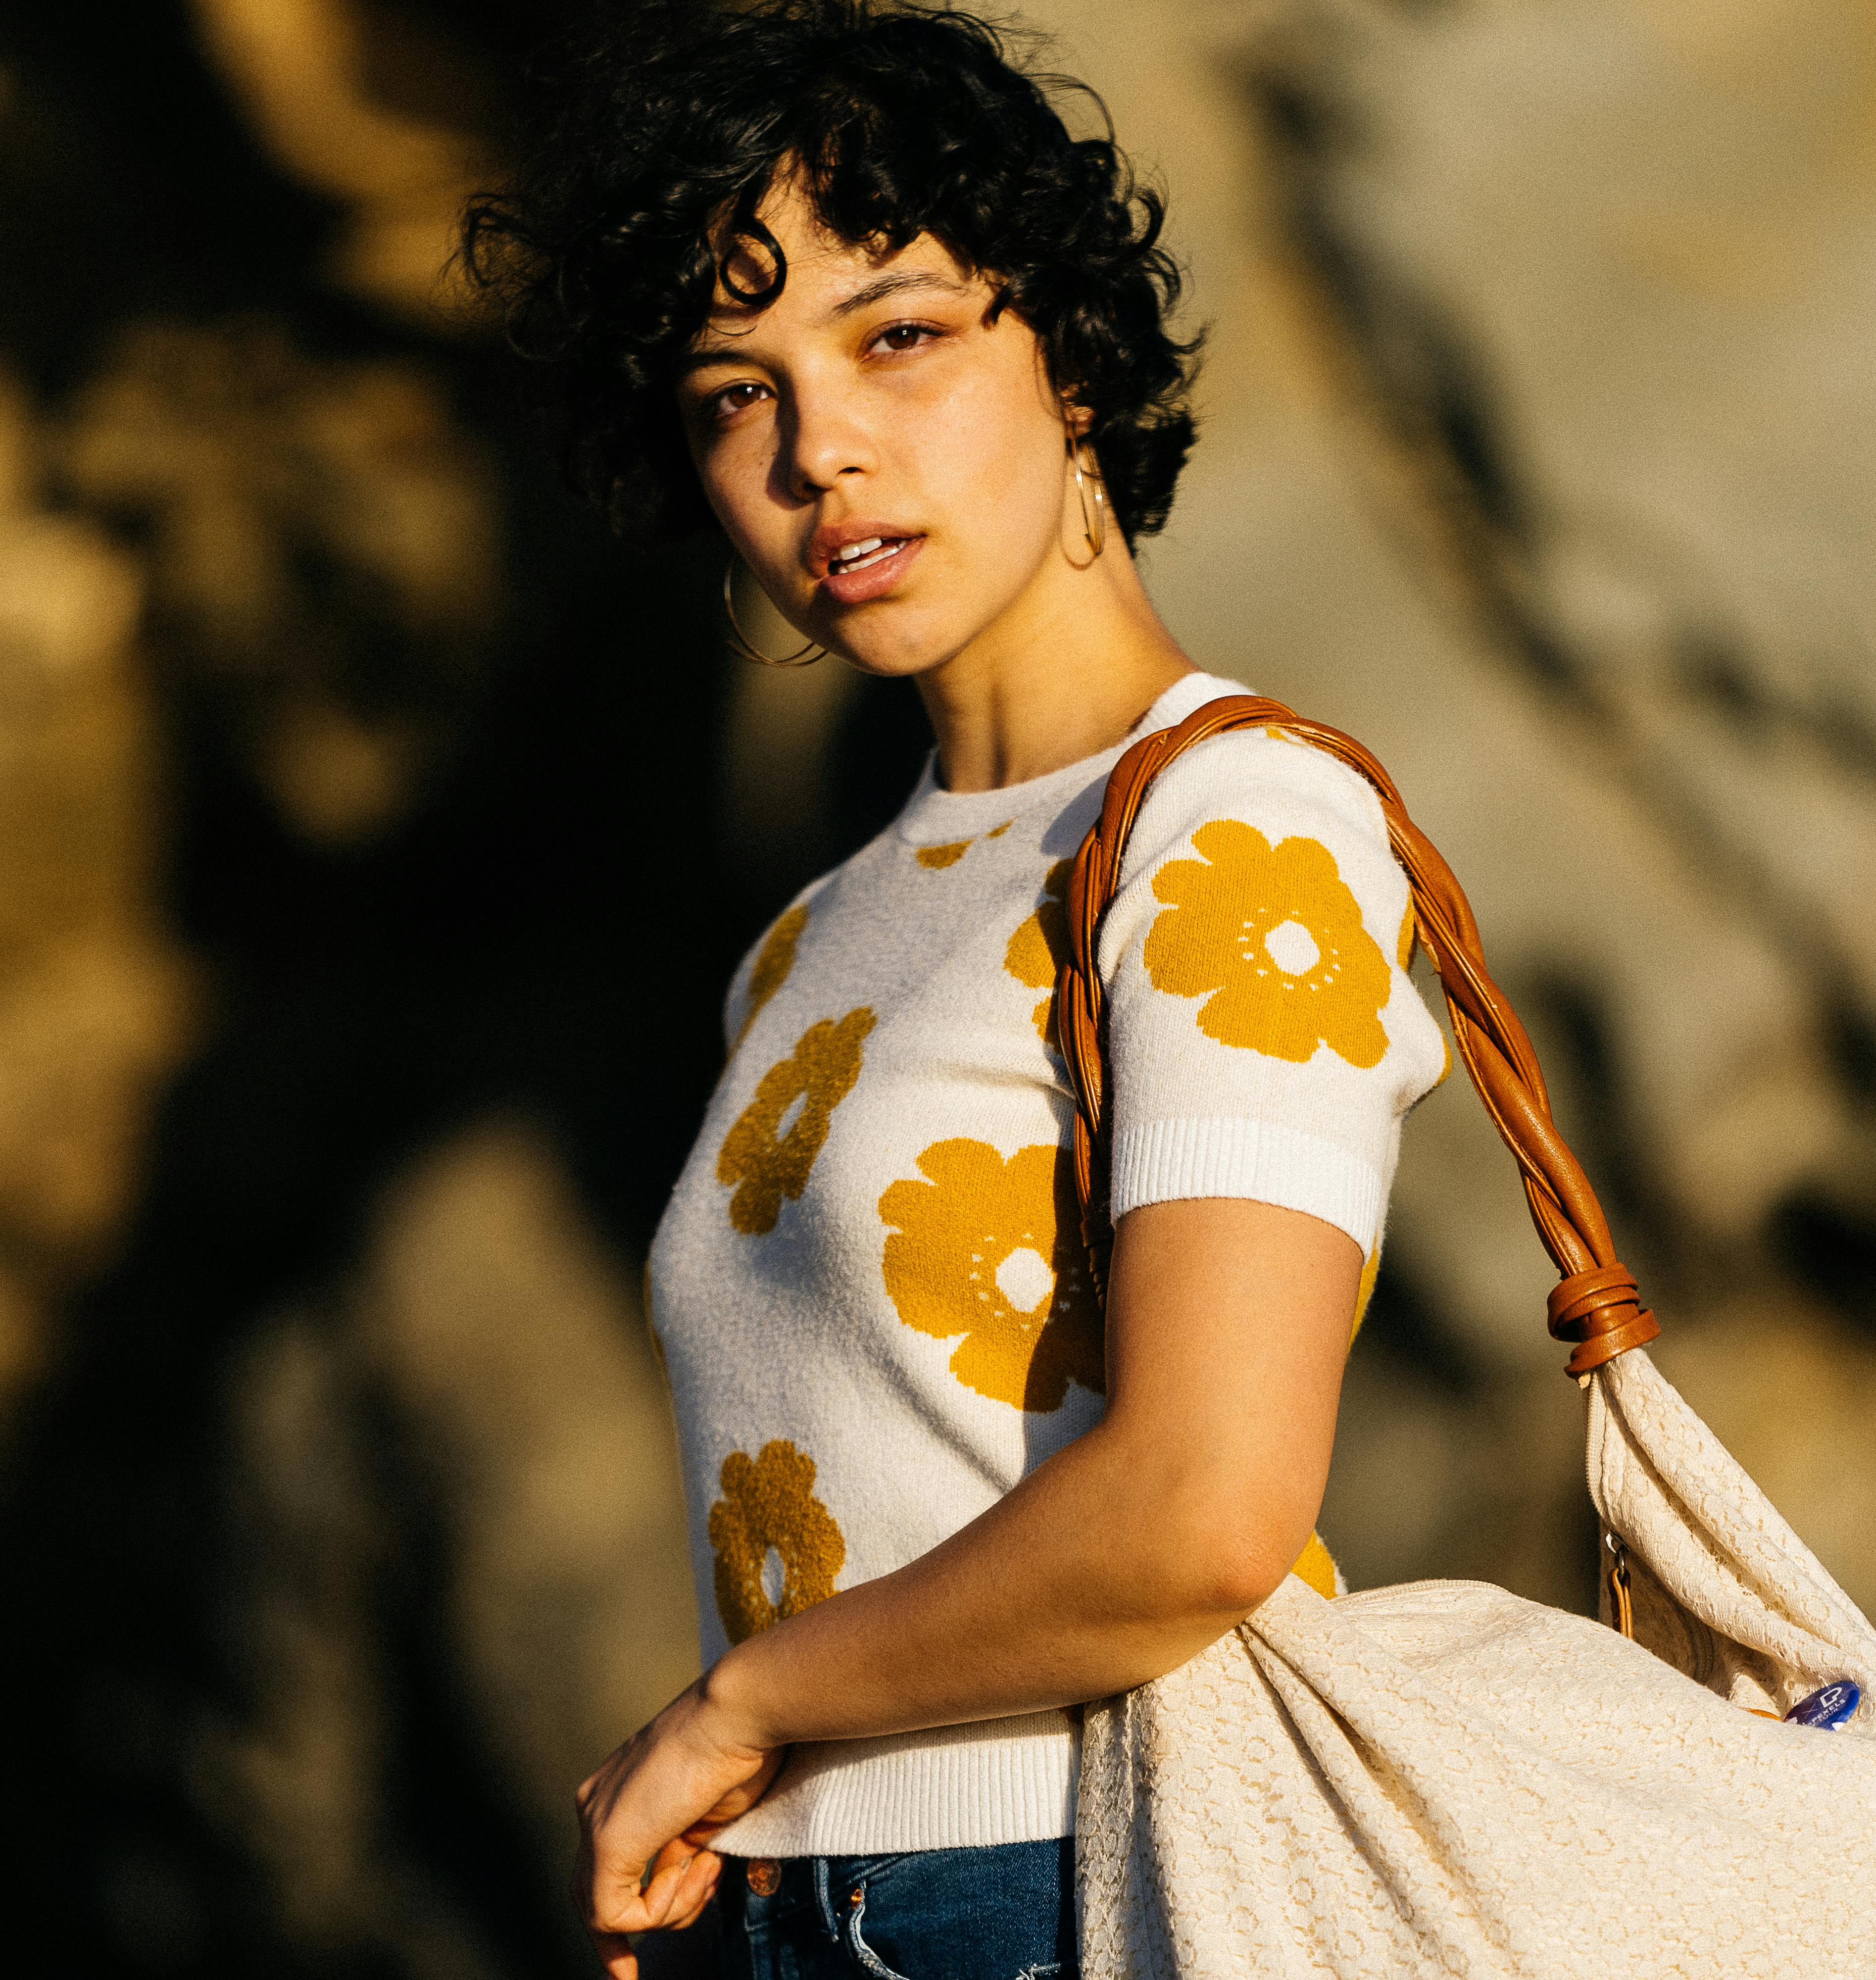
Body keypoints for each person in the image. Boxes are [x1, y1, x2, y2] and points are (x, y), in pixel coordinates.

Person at [463, 4, 1445, 1975]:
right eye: (732, 393)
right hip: (806, 1914)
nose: (816, 447)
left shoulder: (1237, 819)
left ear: (1070, 353)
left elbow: (1201, 1510)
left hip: (1083, 1886)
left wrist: (741, 1707)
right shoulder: (811, 935)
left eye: (895, 333)